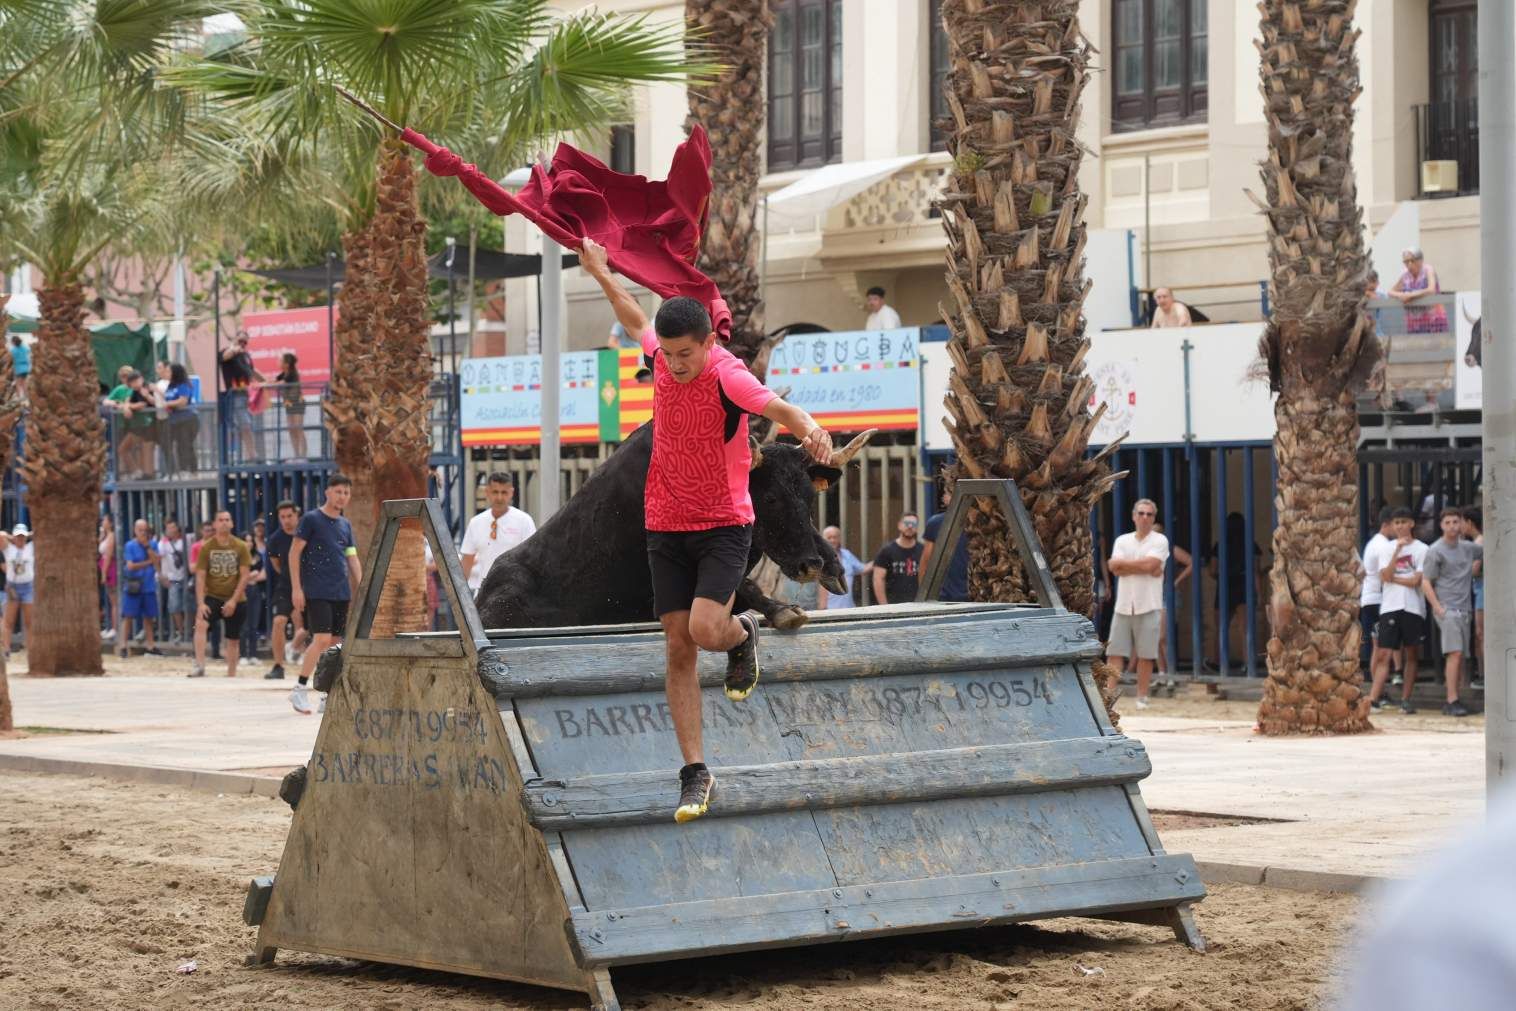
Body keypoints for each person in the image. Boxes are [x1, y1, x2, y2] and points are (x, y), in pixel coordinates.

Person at [582, 235, 834, 824]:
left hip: (723, 524)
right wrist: (599, 271)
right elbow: (634, 316)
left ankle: (743, 634)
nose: (673, 364)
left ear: (710, 343)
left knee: (703, 628)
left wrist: (812, 428)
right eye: (667, 355)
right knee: (676, 646)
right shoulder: (663, 355)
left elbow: (780, 410)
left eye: (684, 355)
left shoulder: (728, 376)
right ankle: (695, 771)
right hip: (665, 523)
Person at [288, 475, 362, 715]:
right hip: (317, 590)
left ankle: (327, 694)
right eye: (338, 491)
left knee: (336, 644)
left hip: (341, 591)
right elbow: (294, 553)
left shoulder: (345, 524)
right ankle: (299, 687)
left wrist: (361, 585)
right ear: (327, 492)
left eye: (346, 493)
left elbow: (351, 555)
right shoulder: (311, 519)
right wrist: (296, 588)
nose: (342, 496)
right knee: (320, 639)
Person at [1107, 499, 1169, 709]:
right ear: (1134, 516)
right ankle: (1109, 695)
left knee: (1146, 654)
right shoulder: (1122, 540)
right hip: (1124, 604)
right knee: (1115, 652)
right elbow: (1113, 567)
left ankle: (1141, 697)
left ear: (1154, 518)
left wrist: (1126, 566)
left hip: (1148, 604)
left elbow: (1152, 565)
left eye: (1149, 514)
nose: (1144, 518)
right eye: (1141, 513)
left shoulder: (1160, 540)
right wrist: (1144, 567)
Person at [1421, 507, 1481, 718]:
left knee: (1460, 656)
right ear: (1441, 525)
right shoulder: (1435, 550)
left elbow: (1490, 550)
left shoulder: (1468, 548)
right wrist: (1438, 607)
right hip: (1448, 609)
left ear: (1462, 523)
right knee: (1454, 654)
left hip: (1465, 609)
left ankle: (1456, 697)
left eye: (1456, 522)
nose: (1452, 526)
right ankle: (1451, 700)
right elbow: (1425, 581)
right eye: (1448, 523)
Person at [1366, 507, 1427, 714]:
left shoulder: (1422, 549)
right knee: (1384, 653)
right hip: (1389, 606)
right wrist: (1397, 553)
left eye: (1403, 521)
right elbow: (1384, 576)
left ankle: (1406, 700)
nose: (1400, 526)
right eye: (1396, 522)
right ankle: (1373, 698)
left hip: (1413, 607)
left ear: (1411, 523)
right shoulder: (1386, 548)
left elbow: (1416, 581)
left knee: (1411, 654)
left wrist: (1394, 578)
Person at [191, 510, 251, 679]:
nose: (224, 522)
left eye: (227, 519)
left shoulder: (241, 546)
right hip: (214, 596)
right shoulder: (207, 547)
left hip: (236, 597)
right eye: (221, 520)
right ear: (215, 524)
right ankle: (200, 665)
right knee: (201, 622)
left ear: (232, 523)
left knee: (233, 639)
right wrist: (201, 602)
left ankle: (231, 674)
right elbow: (200, 576)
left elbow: (245, 575)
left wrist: (233, 600)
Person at [460, 472, 536, 595]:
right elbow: (467, 561)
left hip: (515, 592)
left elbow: (532, 559)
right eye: (495, 492)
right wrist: (459, 596)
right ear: (487, 492)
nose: (499, 498)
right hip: (483, 591)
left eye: (504, 492)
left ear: (511, 492)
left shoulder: (524, 521)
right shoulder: (476, 522)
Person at [265, 501, 305, 680]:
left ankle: (298, 651)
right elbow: (276, 565)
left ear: (297, 515)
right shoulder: (275, 539)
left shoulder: (307, 534)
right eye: (282, 517)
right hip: (286, 585)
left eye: (290, 516)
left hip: (309, 585)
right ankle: (278, 666)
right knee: (279, 621)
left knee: (309, 626)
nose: (286, 520)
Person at [1359, 507, 1396, 677]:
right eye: (1396, 523)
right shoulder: (1383, 545)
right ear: (1386, 524)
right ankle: (1379, 689)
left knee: (1377, 646)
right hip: (1378, 601)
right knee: (1383, 648)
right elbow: (1386, 575)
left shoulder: (1373, 542)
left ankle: (1377, 687)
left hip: (1369, 600)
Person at [220, 330, 267, 462]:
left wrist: (266, 381)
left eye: (245, 342)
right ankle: (251, 455)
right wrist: (235, 348)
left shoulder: (245, 355)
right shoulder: (227, 351)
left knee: (246, 424)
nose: (243, 344)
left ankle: (249, 454)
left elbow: (251, 370)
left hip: (247, 394)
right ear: (235, 338)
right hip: (235, 395)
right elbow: (225, 356)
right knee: (244, 424)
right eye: (241, 340)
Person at [119, 519, 162, 658]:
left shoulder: (153, 544)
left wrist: (147, 548)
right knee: (128, 616)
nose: (143, 533)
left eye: (145, 530)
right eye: (140, 530)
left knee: (149, 617)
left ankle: (151, 645)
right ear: (135, 530)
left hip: (148, 585)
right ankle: (123, 645)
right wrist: (148, 562)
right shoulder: (129, 545)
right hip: (134, 585)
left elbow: (157, 564)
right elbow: (130, 565)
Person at [920, 489, 969, 603]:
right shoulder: (935, 523)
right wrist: (924, 596)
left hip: (975, 594)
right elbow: (926, 561)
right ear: (944, 498)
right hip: (943, 597)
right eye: (949, 493)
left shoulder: (979, 522)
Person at [1389, 245, 1446, 334]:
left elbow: (1431, 289)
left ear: (1420, 260)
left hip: (1433, 319)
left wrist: (1410, 295)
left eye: (1412, 260)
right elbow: (1390, 292)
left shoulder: (1428, 270)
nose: (1409, 265)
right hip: (1414, 322)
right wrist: (1401, 295)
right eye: (1406, 262)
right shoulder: (1405, 275)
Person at [872, 513, 924, 605]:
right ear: (899, 525)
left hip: (918, 606)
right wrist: (885, 607)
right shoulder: (887, 551)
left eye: (914, 524)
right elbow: (878, 579)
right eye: (907, 523)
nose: (910, 526)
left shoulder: (923, 550)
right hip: (894, 606)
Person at [238, 520, 268, 668]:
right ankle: (243, 654)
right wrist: (250, 576)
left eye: (250, 541)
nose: (249, 543)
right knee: (243, 624)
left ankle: (253, 654)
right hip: (242, 591)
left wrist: (250, 576)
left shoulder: (257, 556)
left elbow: (263, 574)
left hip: (255, 590)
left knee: (254, 624)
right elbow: (238, 575)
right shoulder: (238, 556)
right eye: (246, 541)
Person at [156, 518, 191, 644]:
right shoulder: (163, 542)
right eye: (168, 528)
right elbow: (157, 558)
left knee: (189, 606)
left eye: (172, 527)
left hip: (187, 577)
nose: (170, 530)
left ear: (178, 528)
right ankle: (182, 632)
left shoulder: (186, 540)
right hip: (173, 579)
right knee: (175, 606)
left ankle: (189, 631)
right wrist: (161, 575)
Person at [816, 526, 867, 609]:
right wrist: (822, 609)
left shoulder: (846, 554)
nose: (832, 540)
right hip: (829, 609)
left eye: (835, 537)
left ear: (839, 539)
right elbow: (822, 586)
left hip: (849, 608)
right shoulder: (819, 557)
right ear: (823, 540)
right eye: (829, 537)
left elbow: (863, 569)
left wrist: (880, 560)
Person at [162, 363, 199, 476]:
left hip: (187, 419)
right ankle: (172, 471)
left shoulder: (183, 384)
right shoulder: (170, 386)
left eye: (168, 371)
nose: (166, 373)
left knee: (185, 444)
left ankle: (190, 470)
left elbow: (183, 401)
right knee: (167, 444)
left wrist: (168, 404)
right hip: (173, 420)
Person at [3, 524, 34, 656]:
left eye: (23, 536)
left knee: (30, 621)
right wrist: (11, 537)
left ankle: (31, 649)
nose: (20, 539)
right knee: (9, 620)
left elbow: (41, 534)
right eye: (18, 536)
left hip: (28, 586)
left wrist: (30, 535)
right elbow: (1, 535)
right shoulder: (8, 548)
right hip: (13, 587)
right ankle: (6, 650)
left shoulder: (30, 547)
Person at [1463, 507, 1484, 686]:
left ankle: (1484, 674)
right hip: (1479, 590)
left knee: (1481, 633)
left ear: (1469, 523)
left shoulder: (1478, 543)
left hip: (1482, 591)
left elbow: (1475, 570)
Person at [272, 353, 308, 460]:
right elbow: (274, 381)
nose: (278, 362)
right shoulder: (282, 374)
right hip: (289, 403)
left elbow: (280, 383)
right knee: (291, 429)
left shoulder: (292, 373)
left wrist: (264, 384)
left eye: (280, 360)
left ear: (286, 364)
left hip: (297, 402)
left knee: (298, 428)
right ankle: (296, 455)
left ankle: (303, 455)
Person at [98, 515, 118, 643]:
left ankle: (115, 628)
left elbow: (109, 555)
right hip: (104, 566)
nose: (103, 522)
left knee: (114, 600)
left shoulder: (112, 536)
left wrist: (104, 573)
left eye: (105, 520)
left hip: (110, 568)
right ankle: (110, 626)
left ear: (110, 523)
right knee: (110, 600)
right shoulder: (105, 536)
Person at [9, 335, 29, 399]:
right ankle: (26, 397)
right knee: (24, 383)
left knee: (18, 384)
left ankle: (19, 398)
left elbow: (11, 359)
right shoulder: (24, 348)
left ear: (14, 342)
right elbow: (28, 352)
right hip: (26, 367)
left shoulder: (14, 350)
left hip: (19, 368)